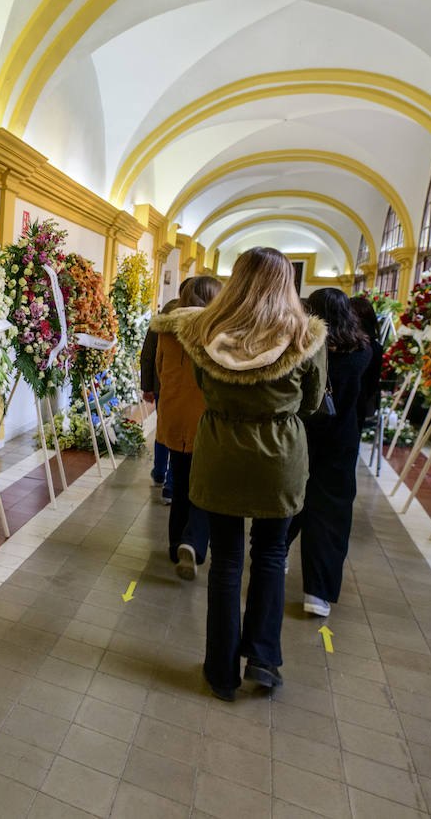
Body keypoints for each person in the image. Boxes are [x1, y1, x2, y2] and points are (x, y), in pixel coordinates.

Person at [153, 247, 326, 700]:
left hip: (221, 452)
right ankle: (264, 659)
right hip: (279, 458)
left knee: (227, 561)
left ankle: (221, 671)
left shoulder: (206, 332)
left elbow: (202, 385)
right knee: (270, 555)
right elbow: (312, 402)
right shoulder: (304, 336)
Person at [288, 289, 372, 617]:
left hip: (303, 431)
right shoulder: (363, 350)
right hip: (342, 438)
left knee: (291, 496)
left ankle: (277, 553)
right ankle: (318, 591)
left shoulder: (303, 346)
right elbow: (367, 397)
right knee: (331, 513)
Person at [149, 277, 222, 580]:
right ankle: (192, 543)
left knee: (179, 482)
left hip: (173, 413)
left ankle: (174, 544)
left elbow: (159, 368)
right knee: (204, 487)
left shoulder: (166, 331)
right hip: (206, 418)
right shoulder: (215, 332)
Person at [142, 298, 180, 504]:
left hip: (161, 384)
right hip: (185, 387)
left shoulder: (161, 320)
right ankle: (171, 485)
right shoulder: (197, 322)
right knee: (180, 435)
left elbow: (147, 356)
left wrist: (147, 386)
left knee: (163, 428)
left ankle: (159, 472)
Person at [348, 295, 383, 427]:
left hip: (350, 403)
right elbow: (373, 382)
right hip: (362, 403)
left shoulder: (350, 347)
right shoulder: (376, 347)